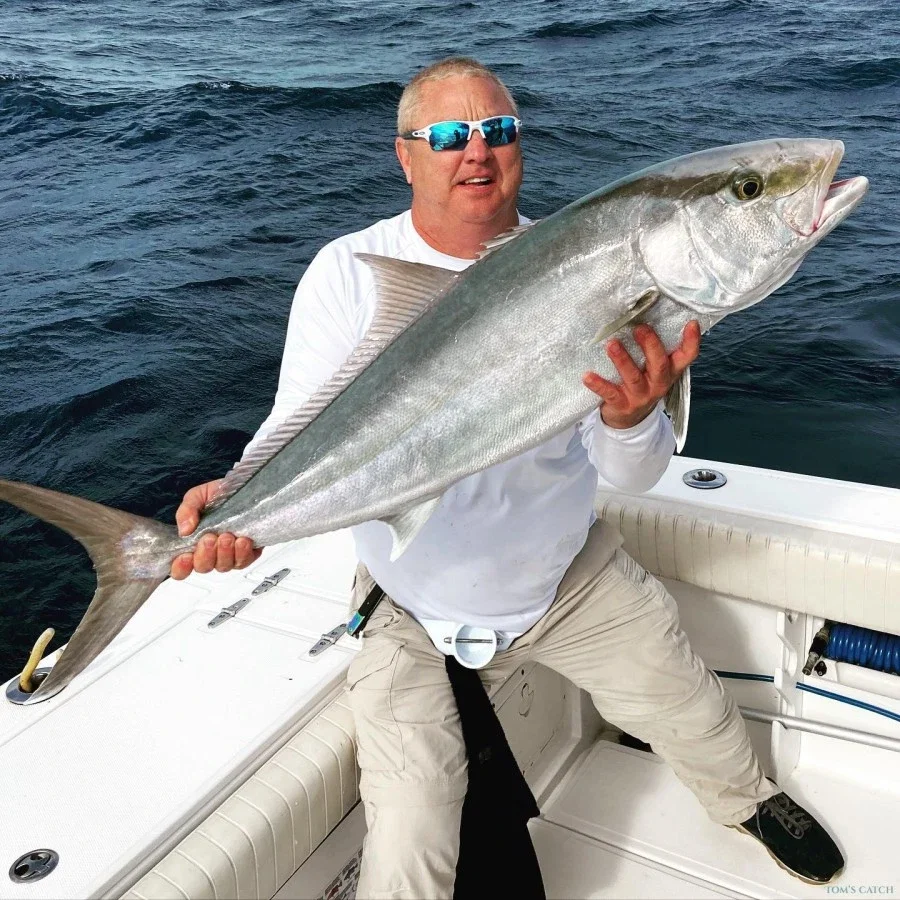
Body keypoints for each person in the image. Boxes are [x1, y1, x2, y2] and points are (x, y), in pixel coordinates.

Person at [171, 57, 844, 897]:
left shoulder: (591, 267)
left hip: (563, 577)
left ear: (520, 145)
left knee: (700, 716)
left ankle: (750, 802)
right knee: (407, 854)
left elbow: (632, 476)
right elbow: (295, 425)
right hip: (408, 604)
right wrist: (237, 499)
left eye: (497, 129)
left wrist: (631, 417)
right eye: (449, 135)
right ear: (405, 156)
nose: (476, 150)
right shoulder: (350, 270)